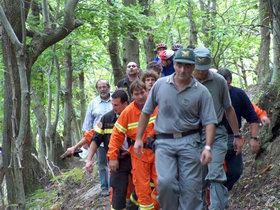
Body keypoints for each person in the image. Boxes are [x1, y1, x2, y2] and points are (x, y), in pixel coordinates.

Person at [134, 48, 218, 210]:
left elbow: (210, 122)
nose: (182, 70)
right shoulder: (160, 85)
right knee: (165, 184)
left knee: (191, 188)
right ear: (173, 64)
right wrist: (138, 138)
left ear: (193, 67)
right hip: (164, 142)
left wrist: (207, 147)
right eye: (179, 65)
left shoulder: (201, 91)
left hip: (190, 141)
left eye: (187, 66)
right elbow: (145, 112)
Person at [193, 47, 244, 210]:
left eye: (204, 69)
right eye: (198, 69)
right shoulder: (184, 80)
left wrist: (236, 135)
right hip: (192, 135)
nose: (201, 73)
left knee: (215, 175)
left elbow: (229, 109)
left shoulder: (219, 81)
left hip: (217, 133)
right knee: (197, 180)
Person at [108, 80, 159, 210]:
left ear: (147, 91)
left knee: (162, 184)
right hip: (139, 154)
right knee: (142, 187)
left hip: (159, 151)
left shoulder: (157, 106)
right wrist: (113, 157)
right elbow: (116, 135)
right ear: (132, 95)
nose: (141, 96)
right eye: (137, 94)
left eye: (142, 92)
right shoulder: (128, 112)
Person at [84, 89, 136, 210]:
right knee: (118, 191)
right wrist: (89, 159)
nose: (113, 107)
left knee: (140, 189)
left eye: (116, 105)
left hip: (136, 158)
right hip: (117, 161)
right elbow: (96, 139)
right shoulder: (107, 118)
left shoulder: (136, 115)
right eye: (112, 104)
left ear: (125, 104)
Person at [217, 68, 262, 191]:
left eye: (223, 82)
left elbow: (252, 117)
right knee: (212, 175)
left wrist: (254, 138)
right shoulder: (210, 93)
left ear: (229, 81)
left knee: (236, 172)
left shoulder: (238, 94)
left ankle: (222, 193)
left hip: (233, 138)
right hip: (213, 139)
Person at [82, 79, 112, 196]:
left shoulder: (114, 100)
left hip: (114, 137)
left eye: (104, 86)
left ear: (109, 87)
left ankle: (112, 186)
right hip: (98, 139)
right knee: (102, 163)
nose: (102, 89)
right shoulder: (93, 103)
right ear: (97, 89)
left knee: (113, 162)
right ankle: (104, 187)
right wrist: (86, 140)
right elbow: (87, 123)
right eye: (100, 87)